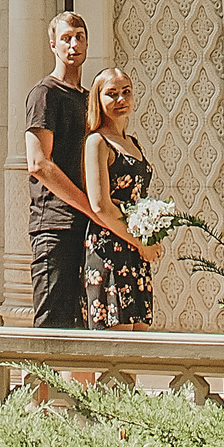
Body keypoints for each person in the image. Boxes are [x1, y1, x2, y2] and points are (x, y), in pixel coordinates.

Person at [23, 11, 100, 328]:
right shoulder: (45, 94)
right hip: (54, 227)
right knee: (53, 330)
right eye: (66, 38)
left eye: (79, 37)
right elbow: (39, 164)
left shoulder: (89, 99)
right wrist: (90, 207)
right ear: (53, 44)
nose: (73, 44)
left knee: (83, 330)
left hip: (89, 229)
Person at [81, 67, 160, 329]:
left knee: (138, 344)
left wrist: (152, 237)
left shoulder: (133, 142)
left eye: (126, 92)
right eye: (111, 94)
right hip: (109, 250)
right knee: (117, 344)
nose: (120, 100)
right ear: (98, 99)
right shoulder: (97, 142)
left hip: (135, 253)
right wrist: (141, 242)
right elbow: (101, 206)